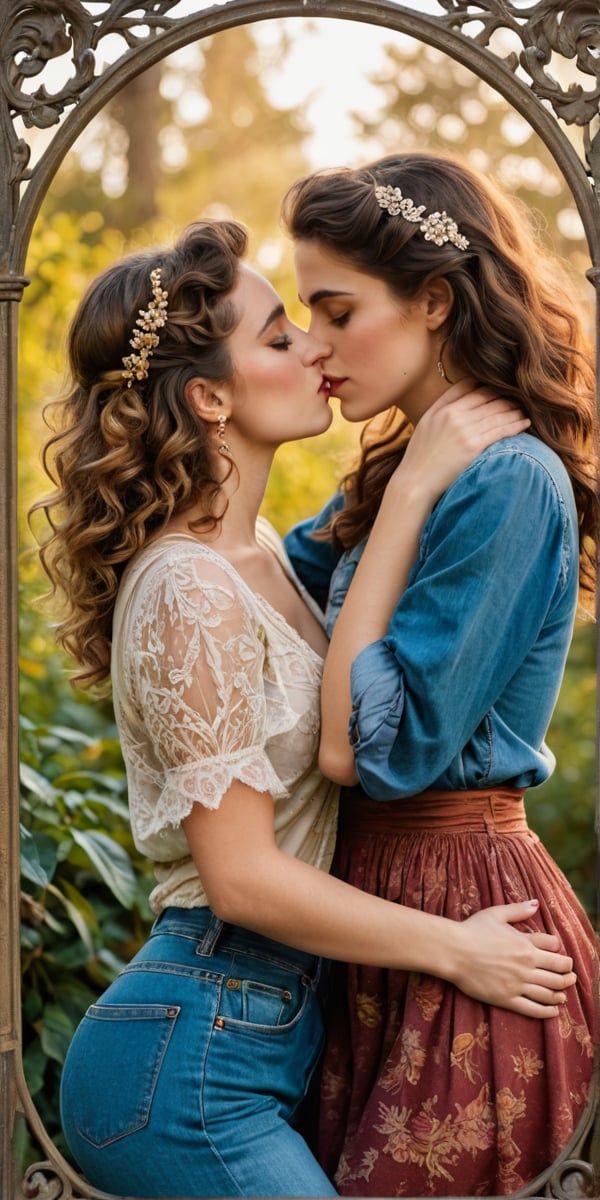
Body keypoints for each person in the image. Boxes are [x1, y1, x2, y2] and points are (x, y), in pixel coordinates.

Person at [34, 218, 576, 1200]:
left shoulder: (277, 560)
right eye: (282, 336)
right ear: (209, 395)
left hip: (266, 1036)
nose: (315, 352)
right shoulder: (186, 589)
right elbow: (239, 879)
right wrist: (461, 951)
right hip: (187, 1064)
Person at [282, 152, 599, 1197]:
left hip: (471, 914)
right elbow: (275, 605)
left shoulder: (506, 477)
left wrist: (416, 490)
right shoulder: (393, 472)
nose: (316, 347)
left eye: (336, 310)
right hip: (378, 908)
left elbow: (377, 752)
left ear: (431, 298)